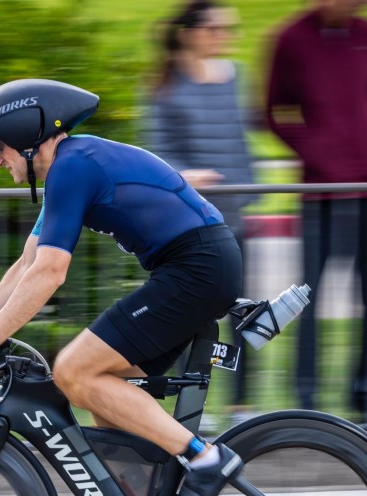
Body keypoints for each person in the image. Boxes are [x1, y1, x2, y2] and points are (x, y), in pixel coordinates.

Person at [0, 79, 244, 496]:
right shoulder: (68, 169)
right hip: (194, 265)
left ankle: (207, 460)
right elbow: (25, 266)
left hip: (198, 266)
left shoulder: (73, 165)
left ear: (24, 136)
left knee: (75, 371)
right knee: (104, 400)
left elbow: (50, 273)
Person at [264, 0, 367, 429]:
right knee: (309, 297)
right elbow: (271, 112)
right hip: (320, 191)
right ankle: (307, 398)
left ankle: (365, 398)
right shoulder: (290, 38)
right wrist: (317, 152)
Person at [143, 0, 256, 428]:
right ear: (190, 31)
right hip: (190, 222)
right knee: (191, 314)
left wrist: (247, 188)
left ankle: (243, 407)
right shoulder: (166, 83)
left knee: (243, 312)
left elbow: (242, 140)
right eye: (215, 28)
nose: (224, 35)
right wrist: (187, 174)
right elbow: (154, 152)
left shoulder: (235, 77)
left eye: (228, 28)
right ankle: (189, 404)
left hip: (235, 214)